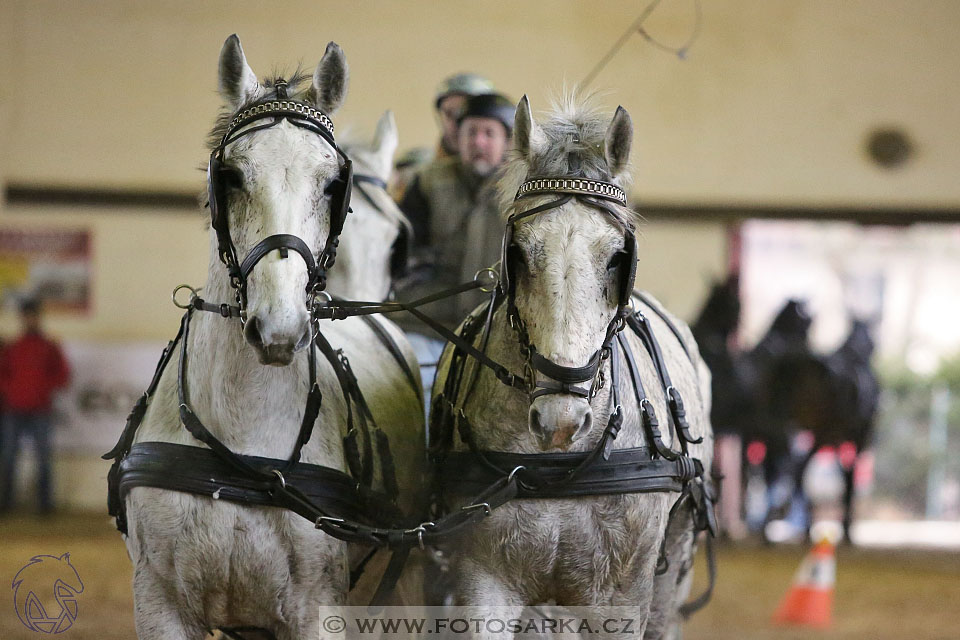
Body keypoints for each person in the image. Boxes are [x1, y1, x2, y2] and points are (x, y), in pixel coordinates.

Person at [397, 92, 515, 403]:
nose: (479, 142)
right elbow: (401, 255)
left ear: (508, 141)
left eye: (489, 133)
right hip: (428, 325)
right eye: (471, 132)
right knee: (414, 391)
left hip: (498, 331)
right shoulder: (427, 181)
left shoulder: (523, 190)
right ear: (457, 137)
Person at [0, 297, 70, 514]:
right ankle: (6, 503)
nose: (30, 319)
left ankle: (44, 505)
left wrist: (43, 388)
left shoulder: (49, 347)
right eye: (27, 315)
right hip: (13, 410)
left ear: (38, 317)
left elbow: (63, 374)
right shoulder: (12, 348)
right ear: (23, 318)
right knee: (9, 457)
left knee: (43, 459)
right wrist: (11, 391)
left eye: (33, 315)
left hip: (40, 410)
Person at [433, 72, 495, 160]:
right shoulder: (422, 172)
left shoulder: (515, 171)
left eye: (466, 113)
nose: (455, 122)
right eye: (449, 114)